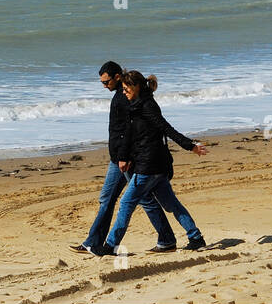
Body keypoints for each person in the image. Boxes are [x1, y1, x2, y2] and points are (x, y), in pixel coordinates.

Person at [92, 70, 208, 256]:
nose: (123, 92)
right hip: (156, 168)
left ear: (136, 86)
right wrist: (123, 157)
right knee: (172, 205)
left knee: (126, 203)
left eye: (126, 88)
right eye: (122, 89)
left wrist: (190, 146)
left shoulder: (147, 107)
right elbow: (130, 135)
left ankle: (111, 246)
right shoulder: (135, 106)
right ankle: (196, 238)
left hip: (149, 167)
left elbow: (166, 128)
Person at [71, 61, 178, 254]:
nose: (104, 86)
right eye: (101, 82)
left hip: (126, 159)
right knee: (107, 198)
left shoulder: (125, 97)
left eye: (106, 82)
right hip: (118, 158)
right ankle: (93, 242)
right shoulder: (120, 96)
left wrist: (126, 157)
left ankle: (167, 239)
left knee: (144, 199)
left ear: (118, 77)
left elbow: (131, 130)